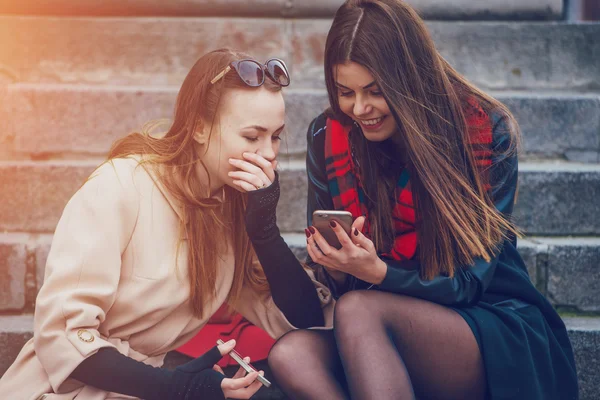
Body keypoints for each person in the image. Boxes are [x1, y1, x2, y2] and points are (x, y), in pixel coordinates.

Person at [266, 1, 579, 399]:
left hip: (488, 324)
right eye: (346, 92)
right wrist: (341, 266)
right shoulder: (328, 136)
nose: (360, 109)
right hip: (382, 321)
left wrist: (379, 273)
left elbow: (469, 284)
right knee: (293, 355)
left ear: (407, 81)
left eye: (376, 92)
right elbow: (340, 288)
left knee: (359, 310)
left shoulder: (483, 132)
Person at [0, 48, 333, 400]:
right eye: (252, 137)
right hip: (64, 389)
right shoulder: (120, 184)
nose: (268, 154)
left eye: (276, 136)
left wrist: (265, 232)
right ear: (200, 129)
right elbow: (64, 336)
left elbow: (303, 318)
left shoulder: (233, 208)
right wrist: (181, 387)